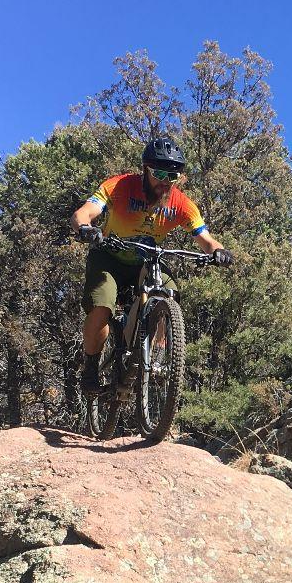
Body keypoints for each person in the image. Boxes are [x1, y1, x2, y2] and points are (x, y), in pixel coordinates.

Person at [70, 136, 233, 394]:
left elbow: (206, 239)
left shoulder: (181, 203)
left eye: (173, 176)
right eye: (159, 173)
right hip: (109, 258)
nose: (165, 181)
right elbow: (84, 212)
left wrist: (219, 251)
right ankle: (90, 366)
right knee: (101, 305)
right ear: (145, 169)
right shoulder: (120, 186)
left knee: (169, 293)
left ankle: (153, 359)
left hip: (146, 261)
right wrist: (85, 228)